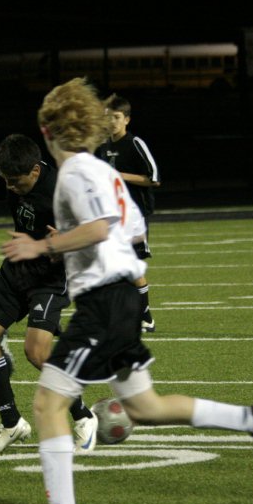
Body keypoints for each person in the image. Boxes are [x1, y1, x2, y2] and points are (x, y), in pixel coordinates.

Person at [2, 78, 253, 504]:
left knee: (48, 403)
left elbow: (98, 227)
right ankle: (251, 419)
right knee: (145, 407)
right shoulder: (103, 171)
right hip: (122, 295)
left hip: (104, 301)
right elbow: (129, 231)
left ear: (47, 133)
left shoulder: (74, 173)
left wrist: (44, 245)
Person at [0, 134, 98, 455]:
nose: (11, 187)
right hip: (15, 270)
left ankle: (83, 415)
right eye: (7, 181)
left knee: (36, 353)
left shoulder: (63, 192)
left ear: (35, 172)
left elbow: (91, 234)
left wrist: (63, 243)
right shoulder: (13, 174)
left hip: (50, 277)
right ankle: (12, 423)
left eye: (16, 182)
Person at [94, 95, 160, 332]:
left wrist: (120, 175)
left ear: (127, 119)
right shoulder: (103, 146)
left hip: (134, 217)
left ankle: (146, 317)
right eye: (107, 117)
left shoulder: (134, 144)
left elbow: (153, 178)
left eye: (116, 117)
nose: (111, 122)